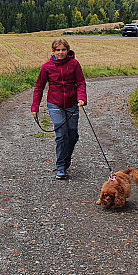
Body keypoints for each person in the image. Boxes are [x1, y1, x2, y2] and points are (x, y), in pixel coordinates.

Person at [31, 38, 87, 180]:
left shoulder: (74, 64)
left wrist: (81, 98)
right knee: (62, 135)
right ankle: (61, 167)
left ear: (67, 51)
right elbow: (39, 87)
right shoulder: (47, 67)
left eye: (63, 50)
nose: (60, 52)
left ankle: (66, 160)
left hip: (72, 104)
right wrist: (35, 107)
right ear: (53, 51)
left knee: (73, 136)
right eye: (58, 50)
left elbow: (81, 83)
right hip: (54, 104)